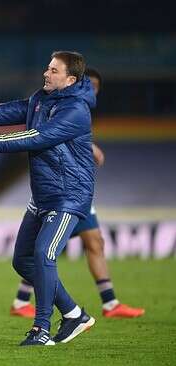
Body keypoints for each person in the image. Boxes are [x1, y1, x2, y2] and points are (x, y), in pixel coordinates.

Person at [0, 51, 96, 346]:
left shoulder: (76, 109)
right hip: (42, 195)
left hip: (68, 196)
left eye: (53, 71)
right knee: (23, 260)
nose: (46, 73)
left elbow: (36, 137)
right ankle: (73, 314)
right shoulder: (41, 99)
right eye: (47, 67)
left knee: (43, 254)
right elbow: (4, 112)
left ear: (70, 79)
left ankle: (41, 330)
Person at [10, 68, 145, 319]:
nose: (90, 92)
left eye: (94, 89)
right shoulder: (59, 105)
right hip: (62, 192)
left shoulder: (77, 110)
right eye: (88, 86)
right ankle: (29, 306)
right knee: (45, 250)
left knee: (91, 242)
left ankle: (108, 303)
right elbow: (48, 134)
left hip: (76, 191)